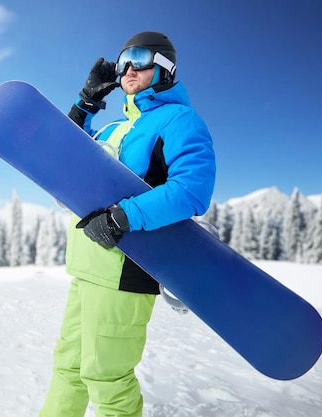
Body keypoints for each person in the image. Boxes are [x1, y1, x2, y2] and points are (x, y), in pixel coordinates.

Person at [39, 31, 216, 417]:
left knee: (106, 377)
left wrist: (123, 217)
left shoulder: (179, 120)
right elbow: (63, 158)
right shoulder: (114, 127)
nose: (129, 68)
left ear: (166, 66)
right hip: (86, 268)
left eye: (139, 57)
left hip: (126, 269)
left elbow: (192, 190)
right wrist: (86, 103)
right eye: (123, 61)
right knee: (69, 368)